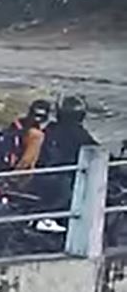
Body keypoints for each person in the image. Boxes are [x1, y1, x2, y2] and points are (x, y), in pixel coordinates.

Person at [32, 95, 100, 232]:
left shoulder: (51, 128)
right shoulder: (78, 134)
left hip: (43, 174)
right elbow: (97, 153)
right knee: (77, 200)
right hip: (60, 177)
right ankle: (54, 222)